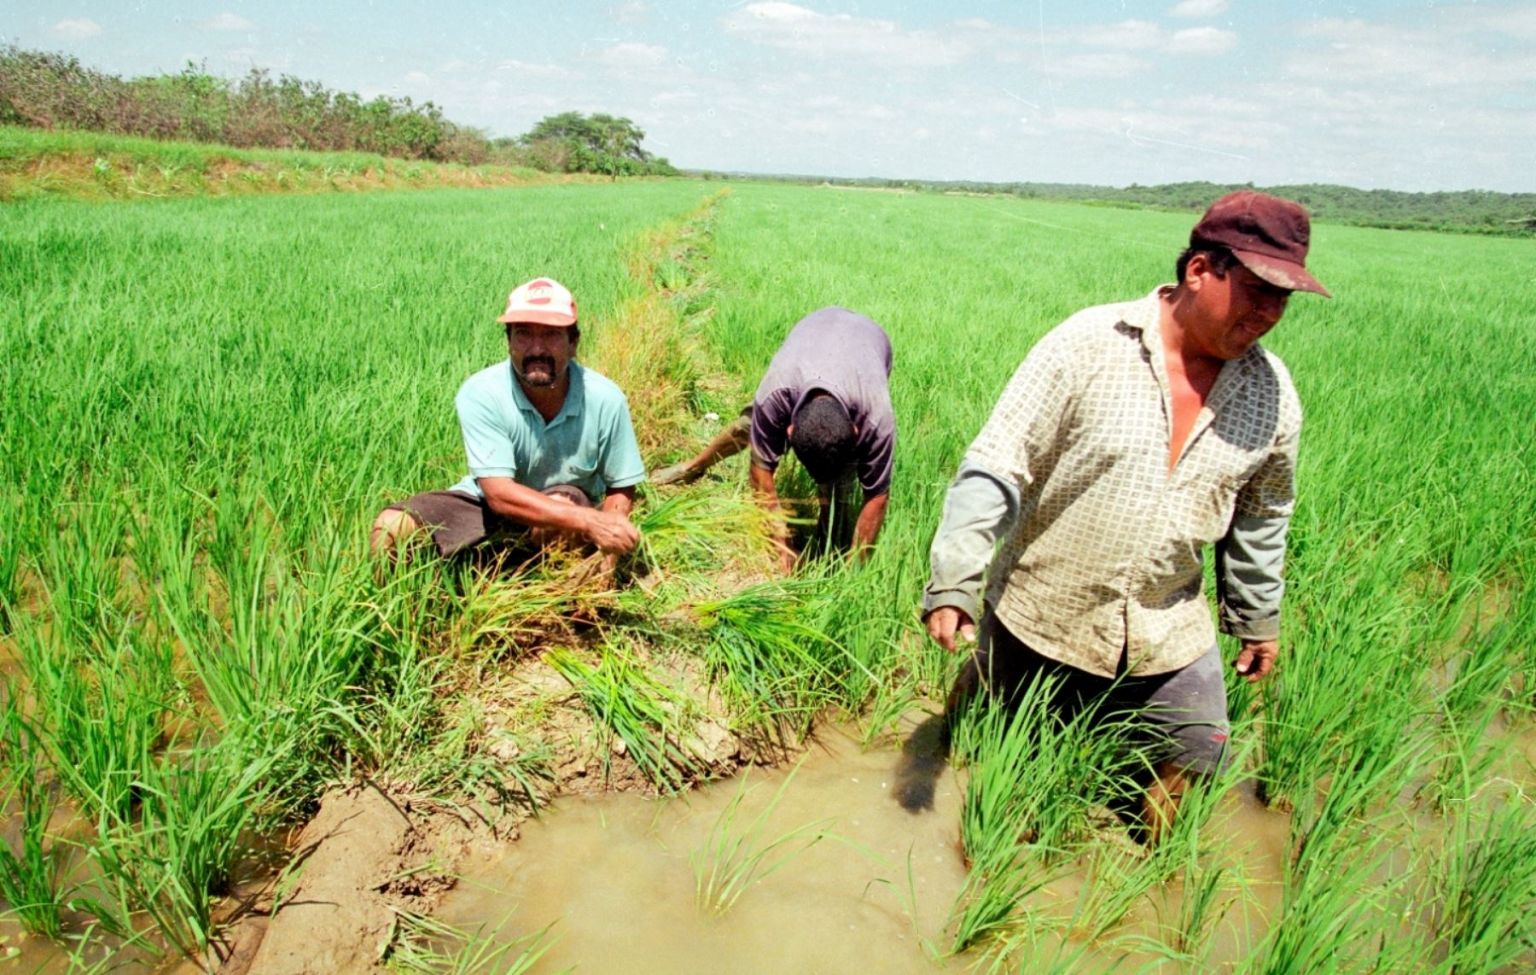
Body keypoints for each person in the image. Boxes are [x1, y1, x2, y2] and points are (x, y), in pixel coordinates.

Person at [921, 191, 1330, 840]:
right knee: (1004, 764)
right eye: (1256, 289)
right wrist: (955, 578)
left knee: (1199, 753)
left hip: (1168, 621)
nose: (1268, 313)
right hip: (1044, 606)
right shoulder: (1087, 344)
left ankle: (1151, 879)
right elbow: (999, 463)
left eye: (1282, 298)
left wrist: (1256, 614)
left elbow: (1262, 511)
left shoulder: (1272, 393)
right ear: (1200, 269)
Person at [372, 277, 645, 564]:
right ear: (509, 341)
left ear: (573, 342)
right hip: (491, 505)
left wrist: (609, 547)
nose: (536, 349)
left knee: (558, 515)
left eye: (551, 334)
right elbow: (499, 494)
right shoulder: (482, 393)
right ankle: (410, 606)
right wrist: (592, 522)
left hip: (567, 508)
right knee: (390, 530)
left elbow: (620, 485)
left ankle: (557, 598)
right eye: (524, 334)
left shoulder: (605, 398)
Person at [652, 306, 896, 569]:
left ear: (855, 431)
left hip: (869, 342)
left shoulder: (876, 418)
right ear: (788, 430)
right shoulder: (776, 393)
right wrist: (781, 544)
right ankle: (694, 466)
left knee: (838, 486)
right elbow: (760, 473)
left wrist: (854, 573)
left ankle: (827, 533)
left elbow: (877, 497)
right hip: (814, 331)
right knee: (748, 426)